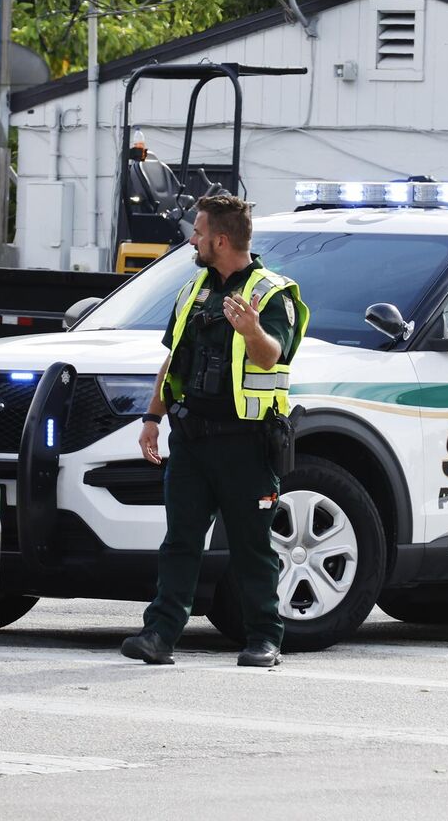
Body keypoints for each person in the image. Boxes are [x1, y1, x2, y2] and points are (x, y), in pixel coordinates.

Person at [121, 193, 309, 669]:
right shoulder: (194, 290)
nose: (193, 240)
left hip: (246, 444)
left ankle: (265, 638)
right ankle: (159, 636)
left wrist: (249, 330)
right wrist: (152, 417)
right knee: (180, 541)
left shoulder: (272, 294)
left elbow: (272, 356)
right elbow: (173, 359)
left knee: (252, 548)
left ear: (220, 240)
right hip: (191, 439)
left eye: (199, 233)